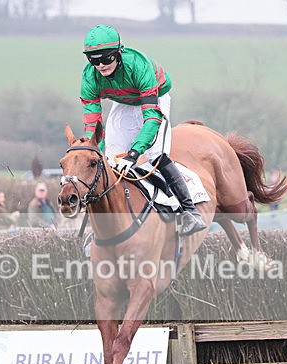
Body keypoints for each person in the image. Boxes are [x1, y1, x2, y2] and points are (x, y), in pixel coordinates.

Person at [79, 24, 205, 235]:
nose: (100, 65)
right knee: (109, 158)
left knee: (155, 154)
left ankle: (190, 212)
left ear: (118, 53)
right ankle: (100, 226)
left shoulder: (138, 65)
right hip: (124, 102)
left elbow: (152, 117)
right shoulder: (89, 77)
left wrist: (134, 152)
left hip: (154, 99)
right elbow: (93, 125)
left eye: (106, 58)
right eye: (94, 60)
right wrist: (93, 149)